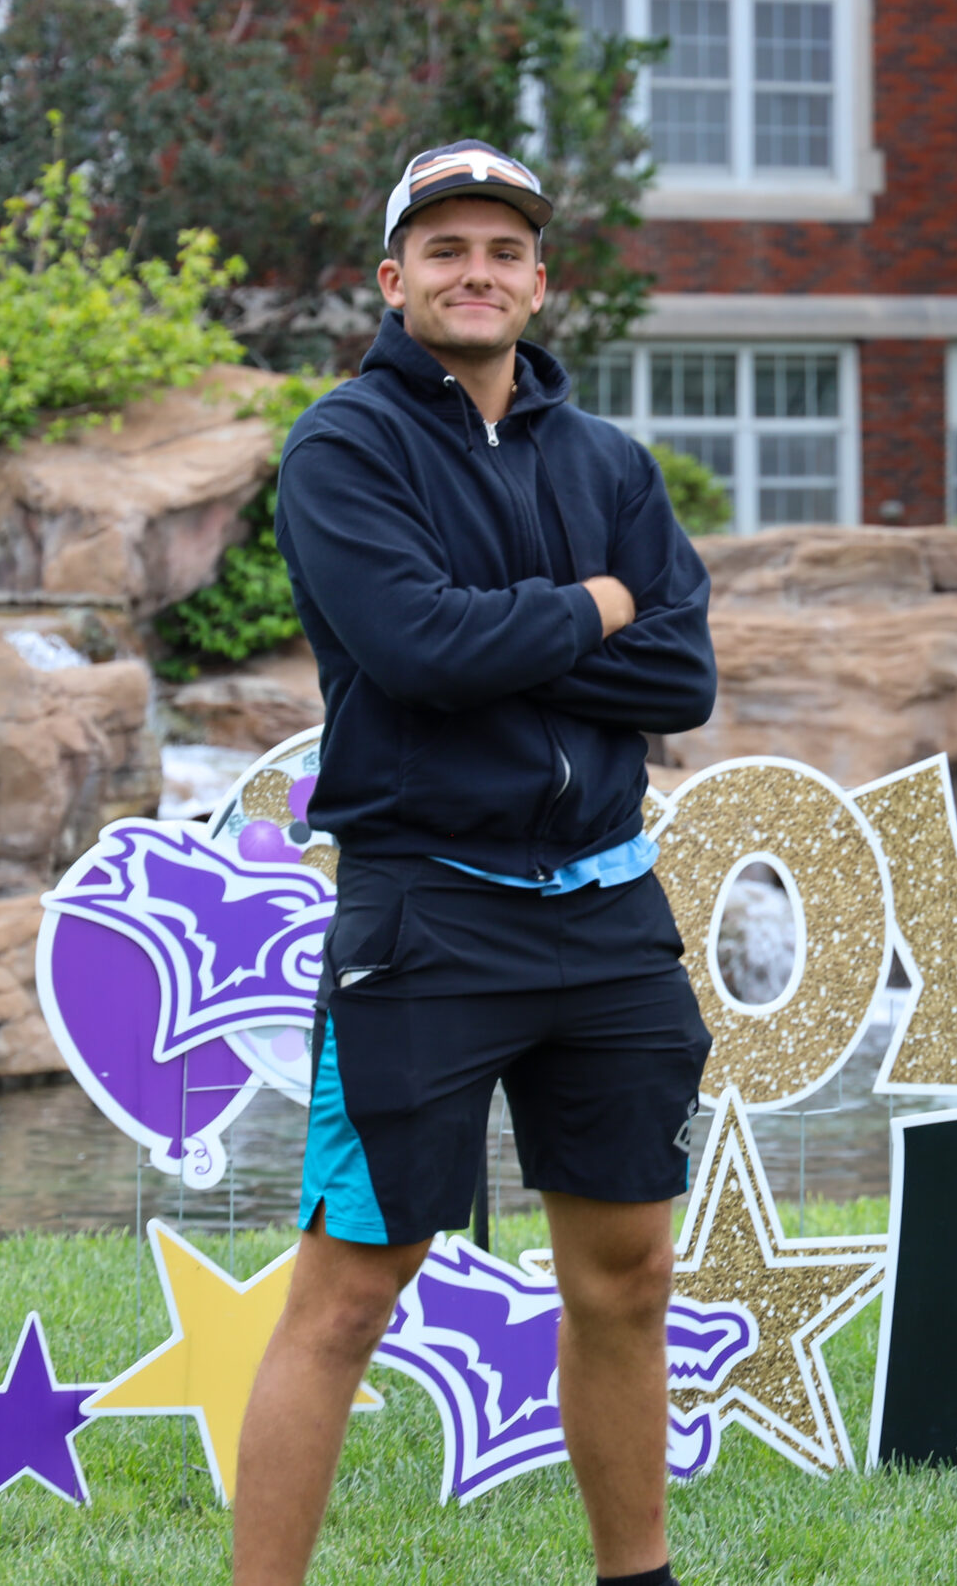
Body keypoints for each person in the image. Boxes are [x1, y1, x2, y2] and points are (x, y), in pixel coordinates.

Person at [232, 139, 718, 1586]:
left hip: (609, 912)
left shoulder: (608, 462)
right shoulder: (343, 448)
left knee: (628, 1277)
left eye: (503, 249)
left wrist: (525, 630)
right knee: (348, 1294)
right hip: (426, 918)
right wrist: (599, 606)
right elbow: (415, 650)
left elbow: (680, 672)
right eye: (444, 248)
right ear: (394, 280)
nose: (476, 271)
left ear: (541, 282)